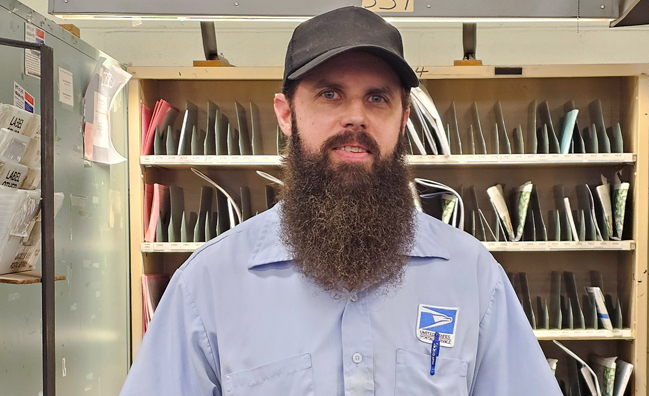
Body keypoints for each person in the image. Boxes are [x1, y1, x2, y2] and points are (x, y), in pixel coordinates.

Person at [120, 6, 562, 396]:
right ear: (286, 113)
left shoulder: (473, 278)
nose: (356, 116)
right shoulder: (209, 287)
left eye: (377, 98)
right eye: (329, 94)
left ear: (403, 120)